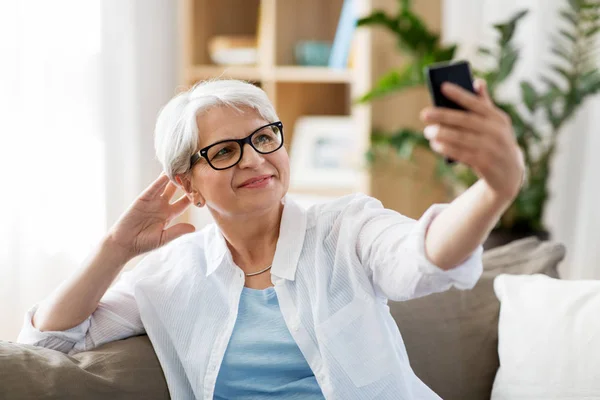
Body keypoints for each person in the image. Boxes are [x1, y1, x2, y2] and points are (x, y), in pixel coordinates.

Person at [17, 79, 525, 399]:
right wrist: (116, 248)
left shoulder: (346, 227)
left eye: (264, 137)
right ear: (187, 184)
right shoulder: (171, 276)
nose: (255, 159)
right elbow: (48, 340)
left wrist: (494, 190)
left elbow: (422, 258)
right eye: (225, 151)